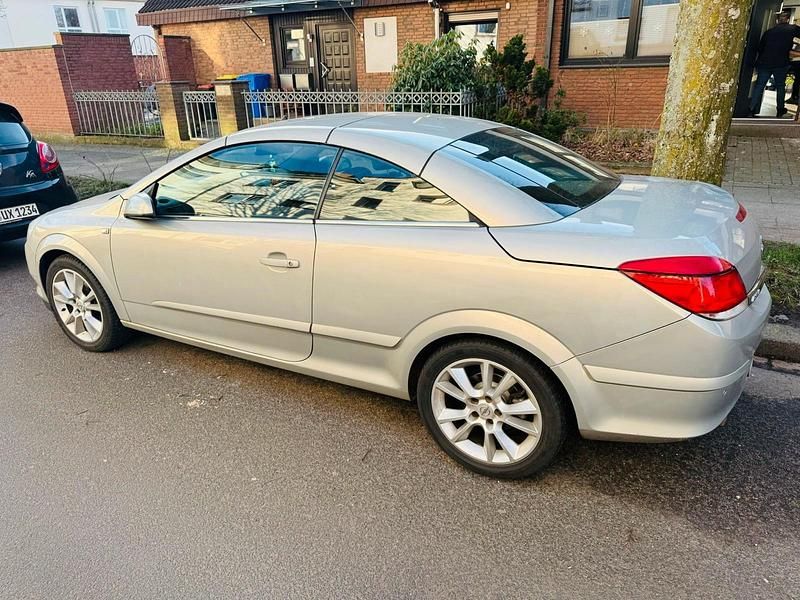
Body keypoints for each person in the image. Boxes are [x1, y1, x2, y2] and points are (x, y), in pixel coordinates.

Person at [749, 10, 800, 117]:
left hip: (765, 62)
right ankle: (780, 109)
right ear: (787, 19)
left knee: (759, 85)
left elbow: (760, 48)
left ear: (777, 20)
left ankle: (751, 108)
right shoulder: (793, 29)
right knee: (780, 86)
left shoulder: (769, 32)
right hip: (781, 62)